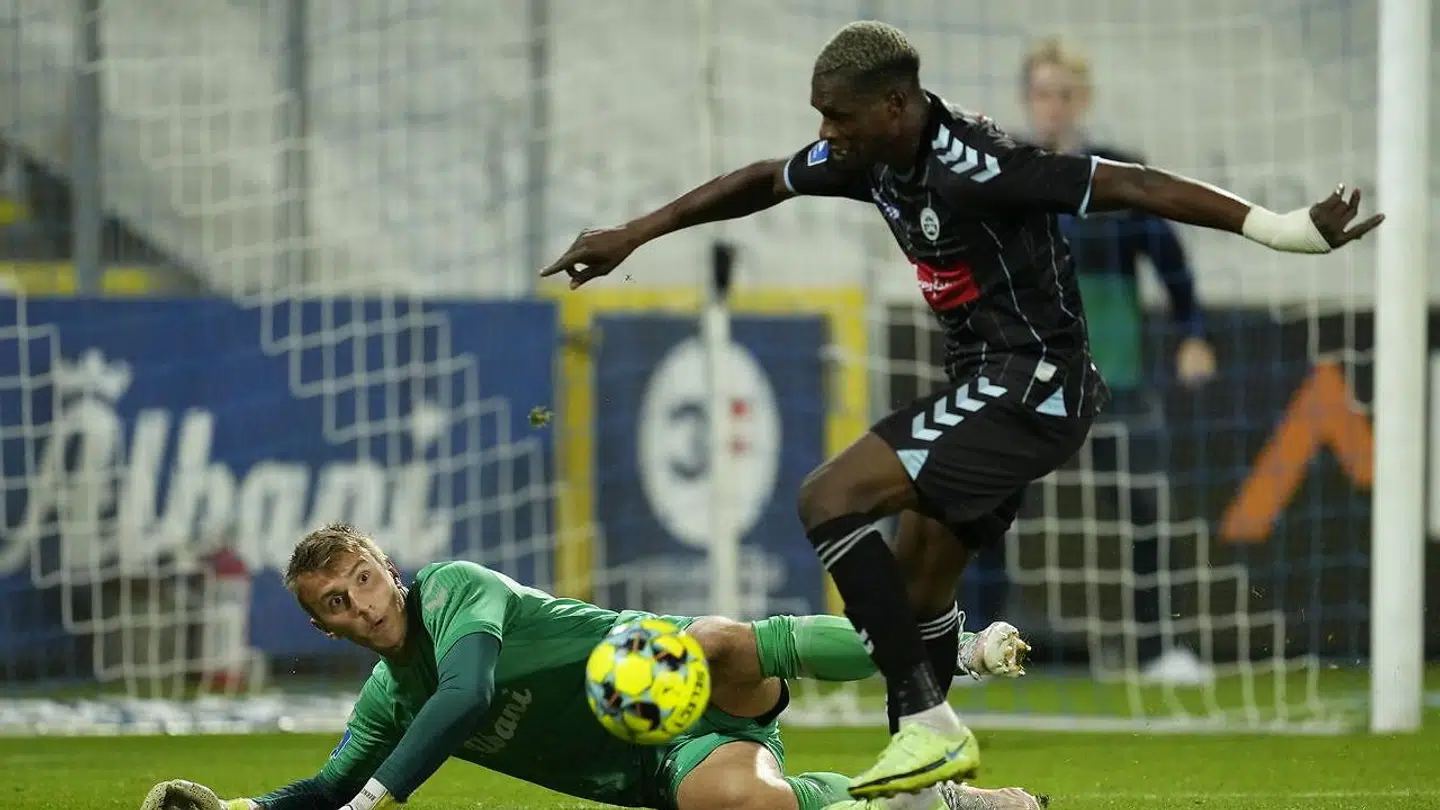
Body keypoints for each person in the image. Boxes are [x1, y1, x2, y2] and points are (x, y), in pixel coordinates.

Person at [538, 19, 1381, 799]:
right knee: (918, 584)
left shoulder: (983, 164)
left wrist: (1286, 229)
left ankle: (926, 717)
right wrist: (632, 235)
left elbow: (1136, 186)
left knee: (827, 497)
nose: (826, 133)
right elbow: (762, 180)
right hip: (987, 382)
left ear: (896, 106)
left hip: (1033, 383)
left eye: (839, 116)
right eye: (820, 116)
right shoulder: (872, 156)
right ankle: (939, 785)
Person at [140, 523, 1042, 810]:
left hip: (661, 673)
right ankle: (935, 804)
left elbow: (470, 693)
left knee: (719, 639)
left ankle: (943, 651)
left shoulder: (456, 593)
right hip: (659, 762)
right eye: (337, 604)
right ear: (323, 627)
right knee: (744, 806)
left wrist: (383, 799)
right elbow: (333, 781)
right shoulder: (385, 701)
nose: (364, 605)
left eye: (365, 580)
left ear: (389, 569)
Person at [1017, 37, 1216, 681]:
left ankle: (1160, 649)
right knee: (984, 510)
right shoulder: (1006, 175)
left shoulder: (1116, 177)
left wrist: (1193, 332)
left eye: (1064, 94)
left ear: (1083, 101)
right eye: (1043, 93)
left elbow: (1173, 264)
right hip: (1028, 379)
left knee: (1143, 514)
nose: (1053, 106)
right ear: (1028, 101)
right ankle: (965, 650)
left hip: (1114, 380)